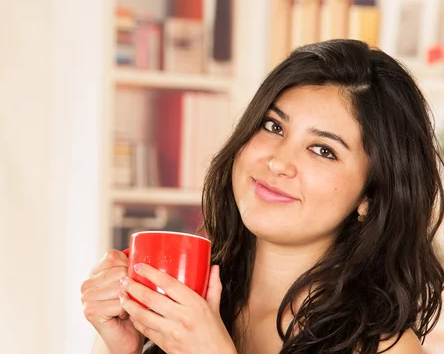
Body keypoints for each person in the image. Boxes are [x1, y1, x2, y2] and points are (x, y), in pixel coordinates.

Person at [80, 39, 444, 354]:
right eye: (273, 126)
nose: (279, 162)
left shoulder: (385, 347)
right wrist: (119, 347)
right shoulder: (178, 301)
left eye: (323, 150)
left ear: (371, 195)